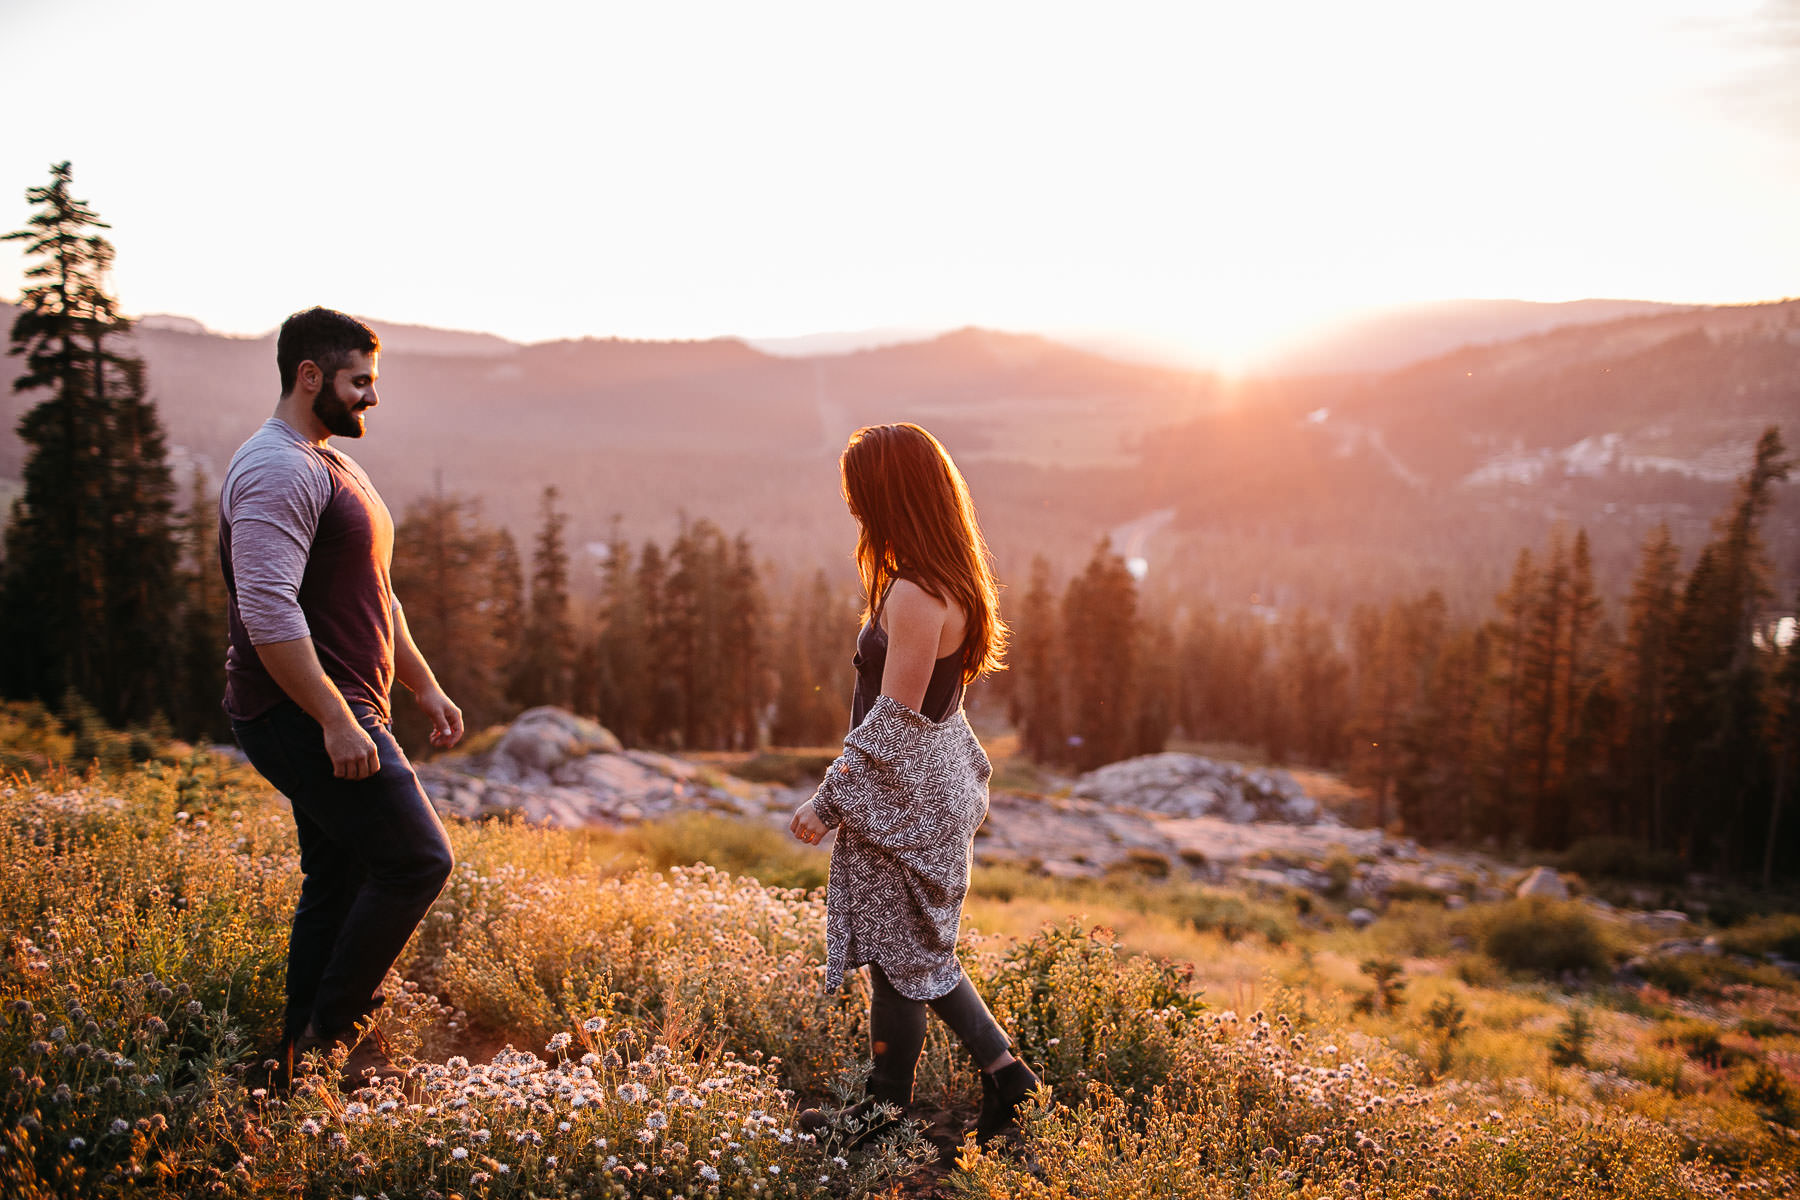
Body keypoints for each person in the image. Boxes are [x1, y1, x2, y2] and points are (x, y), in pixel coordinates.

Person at [219, 307, 463, 1086]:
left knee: (341, 875)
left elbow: (378, 595)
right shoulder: (277, 468)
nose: (372, 398)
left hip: (349, 707)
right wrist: (334, 718)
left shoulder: (330, 462)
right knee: (418, 860)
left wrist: (422, 684)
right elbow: (266, 608)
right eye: (360, 382)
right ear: (310, 377)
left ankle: (291, 1060)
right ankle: (332, 1037)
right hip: (305, 712)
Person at [790, 422, 1042, 1148]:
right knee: (916, 954)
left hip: (903, 798)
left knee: (901, 963)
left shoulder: (915, 594)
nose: (853, 508)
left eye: (859, 492)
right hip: (932, 787)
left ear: (886, 494)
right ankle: (1007, 1079)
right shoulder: (951, 577)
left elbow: (895, 724)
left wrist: (827, 801)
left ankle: (881, 1117)